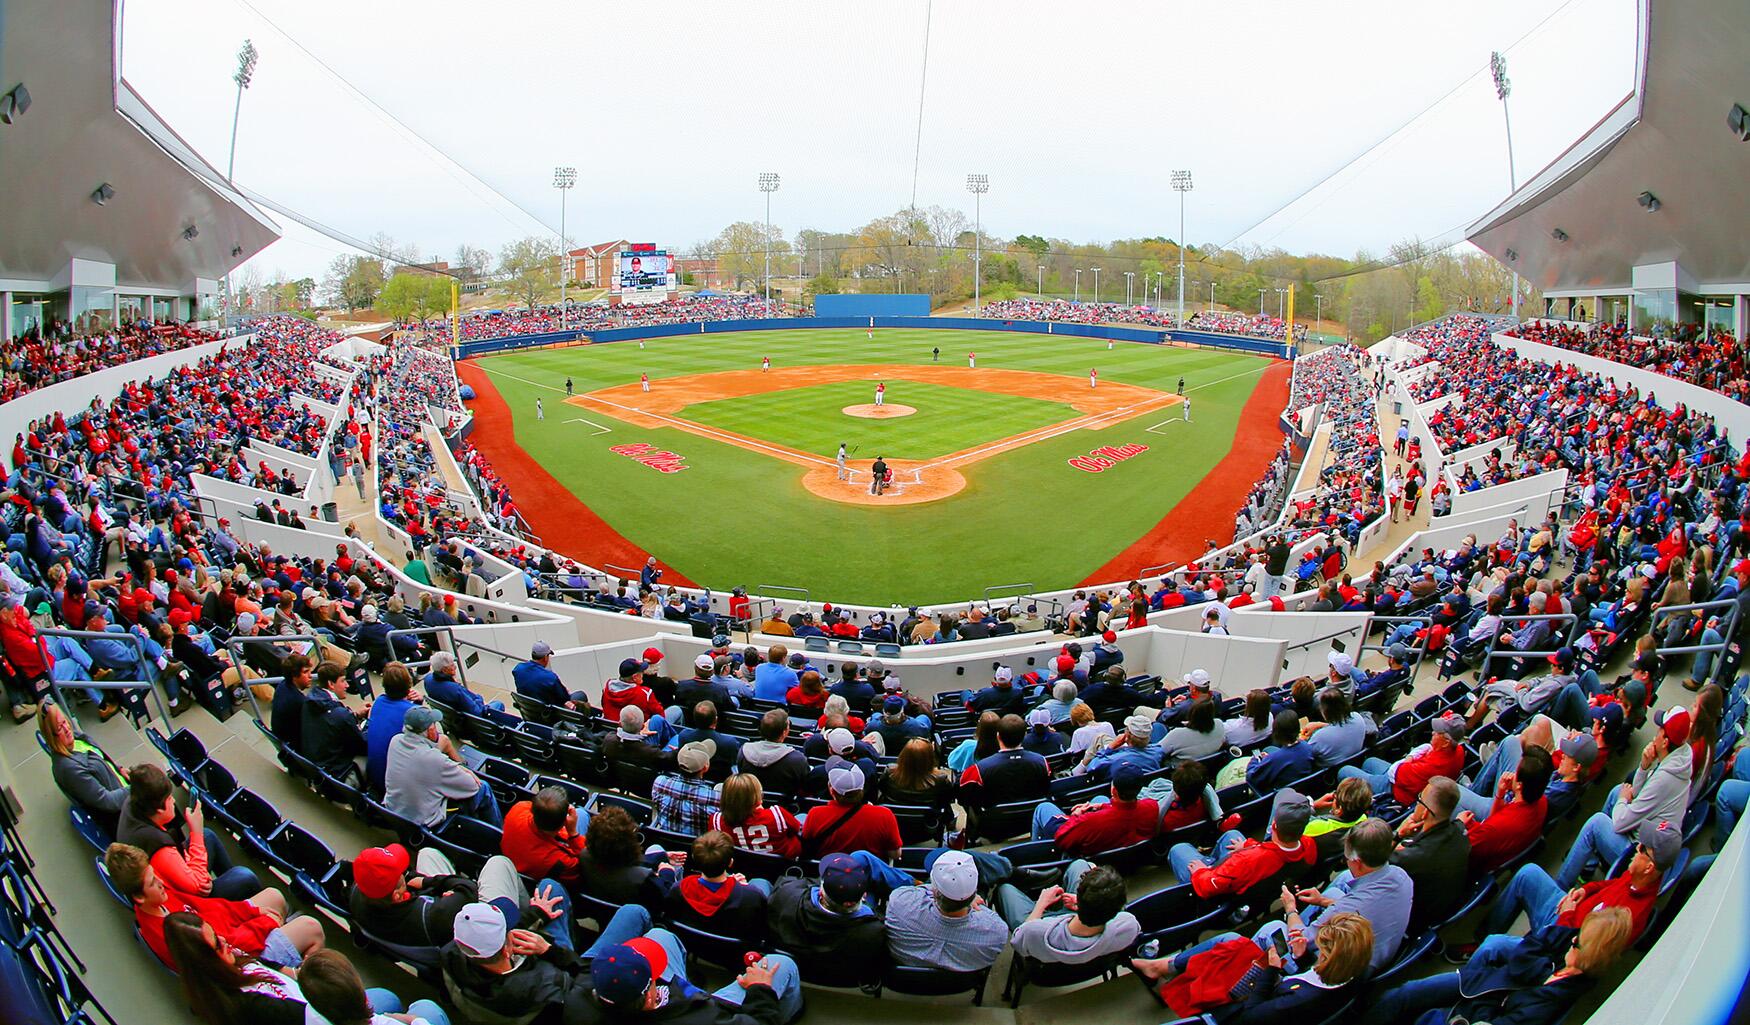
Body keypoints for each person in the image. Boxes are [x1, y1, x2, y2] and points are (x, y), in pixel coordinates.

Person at [1361, 907, 1635, 1025]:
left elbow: (1505, 1021)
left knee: (1425, 1013)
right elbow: (1527, 949)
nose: (1572, 939)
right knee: (1405, 993)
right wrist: (1543, 970)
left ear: (1590, 957)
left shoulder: (1553, 1001)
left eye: (1578, 943)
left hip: (1474, 1011)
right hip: (1480, 981)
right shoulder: (1569, 940)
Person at [106, 841, 325, 969]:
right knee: (311, 927)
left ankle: (285, 940)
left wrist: (252, 911)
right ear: (139, 898)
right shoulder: (172, 934)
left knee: (274, 897)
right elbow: (227, 950)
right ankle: (306, 980)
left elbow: (208, 908)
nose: (161, 883)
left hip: (229, 935)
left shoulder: (158, 899)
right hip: (239, 961)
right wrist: (264, 922)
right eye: (153, 882)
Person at [1133, 912, 1373, 1023]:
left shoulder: (1295, 999)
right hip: (1285, 1000)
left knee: (1228, 951)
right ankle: (1165, 966)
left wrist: (1270, 970)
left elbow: (1251, 1014)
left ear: (1330, 956)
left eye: (1321, 946)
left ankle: (1163, 969)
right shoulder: (1362, 970)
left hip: (1243, 1013)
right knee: (1232, 944)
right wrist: (1301, 960)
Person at [1556, 704, 1694, 887]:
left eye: (1660, 729)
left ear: (1665, 741)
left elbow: (1622, 822)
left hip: (1637, 852)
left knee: (1596, 823)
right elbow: (1637, 793)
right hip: (1648, 831)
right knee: (1617, 791)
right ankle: (1589, 863)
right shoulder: (1681, 756)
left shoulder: (1665, 779)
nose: (1656, 732)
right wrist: (1644, 767)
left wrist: (1624, 799)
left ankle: (1559, 888)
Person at [1258, 818, 1412, 971]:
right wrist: (1323, 900)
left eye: (1347, 858)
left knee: (1272, 928)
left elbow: (1303, 941)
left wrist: (1291, 908)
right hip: (1382, 947)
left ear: (1357, 861)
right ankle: (1310, 919)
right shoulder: (1402, 876)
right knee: (1339, 885)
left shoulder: (1348, 909)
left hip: (1341, 972)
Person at [573, 925, 801, 1025]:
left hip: (678, 998)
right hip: (708, 1007)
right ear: (650, 998)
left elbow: (578, 970)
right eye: (652, 978)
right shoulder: (700, 1020)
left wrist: (552, 951)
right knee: (781, 965)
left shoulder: (578, 1000)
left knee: (658, 935)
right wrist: (760, 989)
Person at [116, 763, 262, 901]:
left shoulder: (135, 804)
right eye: (169, 798)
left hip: (182, 876)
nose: (173, 801)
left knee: (208, 836)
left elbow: (180, 860)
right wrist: (196, 831)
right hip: (191, 902)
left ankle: (237, 898)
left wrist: (200, 874)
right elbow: (197, 888)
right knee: (245, 876)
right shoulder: (159, 850)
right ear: (159, 810)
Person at [159, 911, 325, 1025]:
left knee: (310, 928)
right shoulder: (251, 1006)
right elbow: (315, 1017)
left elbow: (263, 964)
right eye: (217, 944)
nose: (223, 940)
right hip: (317, 1010)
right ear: (207, 963)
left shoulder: (228, 966)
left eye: (217, 934)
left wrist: (298, 972)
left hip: (300, 995)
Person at [767, 853, 890, 985]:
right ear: (864, 896)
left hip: (802, 969)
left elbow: (798, 884)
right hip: (842, 978)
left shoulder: (786, 894)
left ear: (820, 891)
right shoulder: (874, 931)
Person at [1169, 790, 1317, 898]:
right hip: (1253, 871)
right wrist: (1249, 845)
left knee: (1178, 850)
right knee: (1232, 835)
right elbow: (1274, 852)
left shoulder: (1246, 861)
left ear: (1274, 825)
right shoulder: (1309, 845)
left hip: (1218, 890)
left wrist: (1200, 872)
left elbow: (1209, 887)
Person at [884, 850, 1008, 972]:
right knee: (977, 865)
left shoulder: (900, 902)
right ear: (974, 893)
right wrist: (967, 897)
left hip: (903, 980)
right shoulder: (996, 932)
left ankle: (1005, 866)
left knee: (934, 856)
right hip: (959, 984)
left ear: (934, 890)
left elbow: (914, 891)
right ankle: (1007, 867)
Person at [383, 706, 500, 829]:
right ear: (430, 730)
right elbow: (473, 786)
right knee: (484, 788)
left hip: (396, 813)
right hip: (425, 822)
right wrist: (462, 768)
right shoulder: (434, 759)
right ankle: (499, 834)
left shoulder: (395, 741)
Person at [998, 862, 1138, 965]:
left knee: (1005, 888)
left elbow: (1018, 940)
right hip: (1079, 926)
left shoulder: (1033, 931)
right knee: (1080, 864)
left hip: (1046, 927)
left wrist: (1041, 903)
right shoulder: (1129, 925)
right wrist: (1085, 903)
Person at [1390, 777, 1472, 931]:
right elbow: (1458, 824)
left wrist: (1398, 835)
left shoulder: (1411, 858)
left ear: (1425, 812)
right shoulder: (1462, 833)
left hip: (1415, 920)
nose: (1417, 802)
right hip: (1444, 907)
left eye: (1420, 799)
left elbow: (1375, 863)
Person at [39, 700, 129, 836]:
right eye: (59, 728)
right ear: (51, 736)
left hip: (125, 791)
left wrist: (118, 769)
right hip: (123, 817)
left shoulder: (75, 738)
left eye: (64, 721)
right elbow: (108, 802)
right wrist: (137, 787)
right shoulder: (68, 769)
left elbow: (101, 758)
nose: (66, 728)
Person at [663, 830, 771, 944]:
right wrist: (743, 888)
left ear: (694, 859)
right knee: (761, 882)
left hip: (691, 944)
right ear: (730, 862)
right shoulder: (752, 896)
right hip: (734, 954)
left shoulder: (678, 889)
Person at [297, 948, 451, 1025]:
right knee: (426, 1008)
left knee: (386, 998)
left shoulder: (311, 1014)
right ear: (364, 999)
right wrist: (414, 1020)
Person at [1339, 713, 1467, 803]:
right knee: (1369, 762)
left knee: (1344, 771)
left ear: (1445, 742)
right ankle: (1364, 788)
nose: (1433, 732)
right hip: (1403, 777)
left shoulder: (1430, 767)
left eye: (1438, 732)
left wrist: (1410, 758)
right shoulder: (1458, 750)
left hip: (1395, 790)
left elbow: (1397, 772)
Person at [1031, 765, 1158, 856]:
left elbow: (1062, 839)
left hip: (1093, 860)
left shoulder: (1089, 821)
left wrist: (1076, 816)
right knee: (1100, 798)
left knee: (1043, 807)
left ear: (1114, 790)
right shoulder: (1152, 807)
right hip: (1126, 853)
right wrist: (1102, 806)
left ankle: (1036, 856)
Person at [577, 805, 679, 907]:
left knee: (656, 850)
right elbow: (665, 897)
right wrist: (667, 872)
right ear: (628, 842)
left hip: (600, 907)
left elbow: (626, 865)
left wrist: (660, 856)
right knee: (677, 867)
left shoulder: (583, 855)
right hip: (639, 914)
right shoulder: (642, 878)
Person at [800, 764, 901, 860]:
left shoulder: (815, 814)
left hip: (828, 873)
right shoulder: (884, 815)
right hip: (869, 875)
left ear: (832, 790)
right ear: (862, 789)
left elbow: (805, 847)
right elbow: (895, 854)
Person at [501, 787, 588, 889]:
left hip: (517, 863)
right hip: (542, 876)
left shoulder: (518, 809)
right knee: (582, 814)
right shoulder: (559, 861)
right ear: (564, 823)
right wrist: (573, 833)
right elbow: (585, 867)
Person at [301, 662, 368, 781]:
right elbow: (363, 746)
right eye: (343, 681)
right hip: (339, 776)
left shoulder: (309, 702)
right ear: (331, 684)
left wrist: (355, 715)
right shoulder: (340, 715)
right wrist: (369, 725)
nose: (347, 685)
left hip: (319, 771)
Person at [711, 773, 803, 859]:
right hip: (781, 869)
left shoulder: (717, 821)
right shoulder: (777, 814)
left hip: (739, 870)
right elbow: (798, 830)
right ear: (758, 797)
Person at [366, 662, 421, 793]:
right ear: (409, 685)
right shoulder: (414, 712)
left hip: (375, 777)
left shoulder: (378, 702)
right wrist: (418, 702)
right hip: (396, 786)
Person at [651, 741, 722, 836]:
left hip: (664, 838)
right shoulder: (715, 797)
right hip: (697, 846)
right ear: (705, 768)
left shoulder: (660, 783)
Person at [735, 709, 809, 797]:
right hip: (784, 807)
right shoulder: (798, 760)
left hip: (750, 802)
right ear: (785, 732)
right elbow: (805, 787)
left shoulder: (743, 751)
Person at [1246, 710, 1318, 792]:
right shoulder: (1308, 747)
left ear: (1277, 734)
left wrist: (1255, 759)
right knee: (1269, 749)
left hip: (1279, 792)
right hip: (1301, 786)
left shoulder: (1274, 759)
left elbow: (1251, 778)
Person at [512, 641, 588, 709]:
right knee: (581, 695)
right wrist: (564, 691)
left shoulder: (518, 669)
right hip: (549, 715)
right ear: (545, 657)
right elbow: (565, 698)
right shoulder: (550, 677)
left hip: (529, 710)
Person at [270, 653, 313, 753]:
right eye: (306, 672)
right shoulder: (298, 701)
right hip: (300, 748)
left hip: (288, 744)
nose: (310, 676)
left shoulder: (282, 686)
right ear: (294, 675)